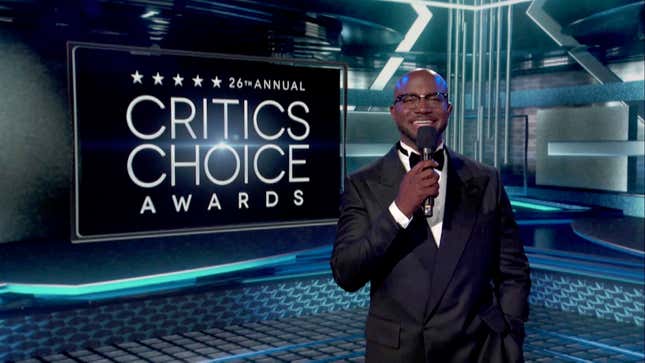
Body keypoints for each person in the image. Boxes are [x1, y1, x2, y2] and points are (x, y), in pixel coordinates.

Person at [330, 69, 531, 362]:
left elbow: (513, 271)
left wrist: (510, 338)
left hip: (478, 350)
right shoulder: (363, 184)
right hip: (401, 353)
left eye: (434, 98)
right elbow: (346, 273)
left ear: (448, 108)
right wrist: (399, 209)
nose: (423, 107)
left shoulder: (485, 179)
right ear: (393, 111)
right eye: (409, 98)